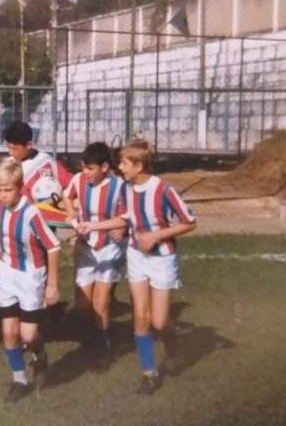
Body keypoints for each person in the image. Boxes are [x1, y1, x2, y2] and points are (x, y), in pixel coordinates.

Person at [77, 139, 196, 396]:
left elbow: (189, 221)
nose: (119, 167)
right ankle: (150, 374)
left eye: (123, 163)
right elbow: (124, 218)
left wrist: (156, 236)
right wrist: (93, 226)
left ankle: (173, 346)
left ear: (139, 165)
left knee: (160, 320)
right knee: (140, 317)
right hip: (136, 256)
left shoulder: (164, 190)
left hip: (162, 259)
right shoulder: (126, 189)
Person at [0, 158, 61, 403]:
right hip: (6, 275)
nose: (2, 195)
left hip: (30, 277)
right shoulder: (1, 207)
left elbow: (53, 247)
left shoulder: (31, 213)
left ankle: (40, 356)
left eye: (7, 190)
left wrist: (51, 285)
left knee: (29, 336)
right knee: (9, 332)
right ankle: (19, 380)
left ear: (20, 188)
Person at [62, 142, 127, 371]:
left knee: (100, 304)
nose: (85, 172)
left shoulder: (119, 186)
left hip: (110, 248)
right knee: (82, 305)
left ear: (105, 167)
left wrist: (124, 228)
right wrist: (71, 215)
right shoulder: (78, 180)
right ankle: (92, 337)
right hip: (85, 248)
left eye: (90, 168)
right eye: (83, 167)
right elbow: (67, 195)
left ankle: (103, 347)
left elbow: (129, 216)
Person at [3, 121, 72, 204]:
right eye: (8, 147)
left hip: (46, 212)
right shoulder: (7, 165)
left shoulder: (46, 161)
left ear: (29, 145)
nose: (10, 152)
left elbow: (70, 183)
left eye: (14, 149)